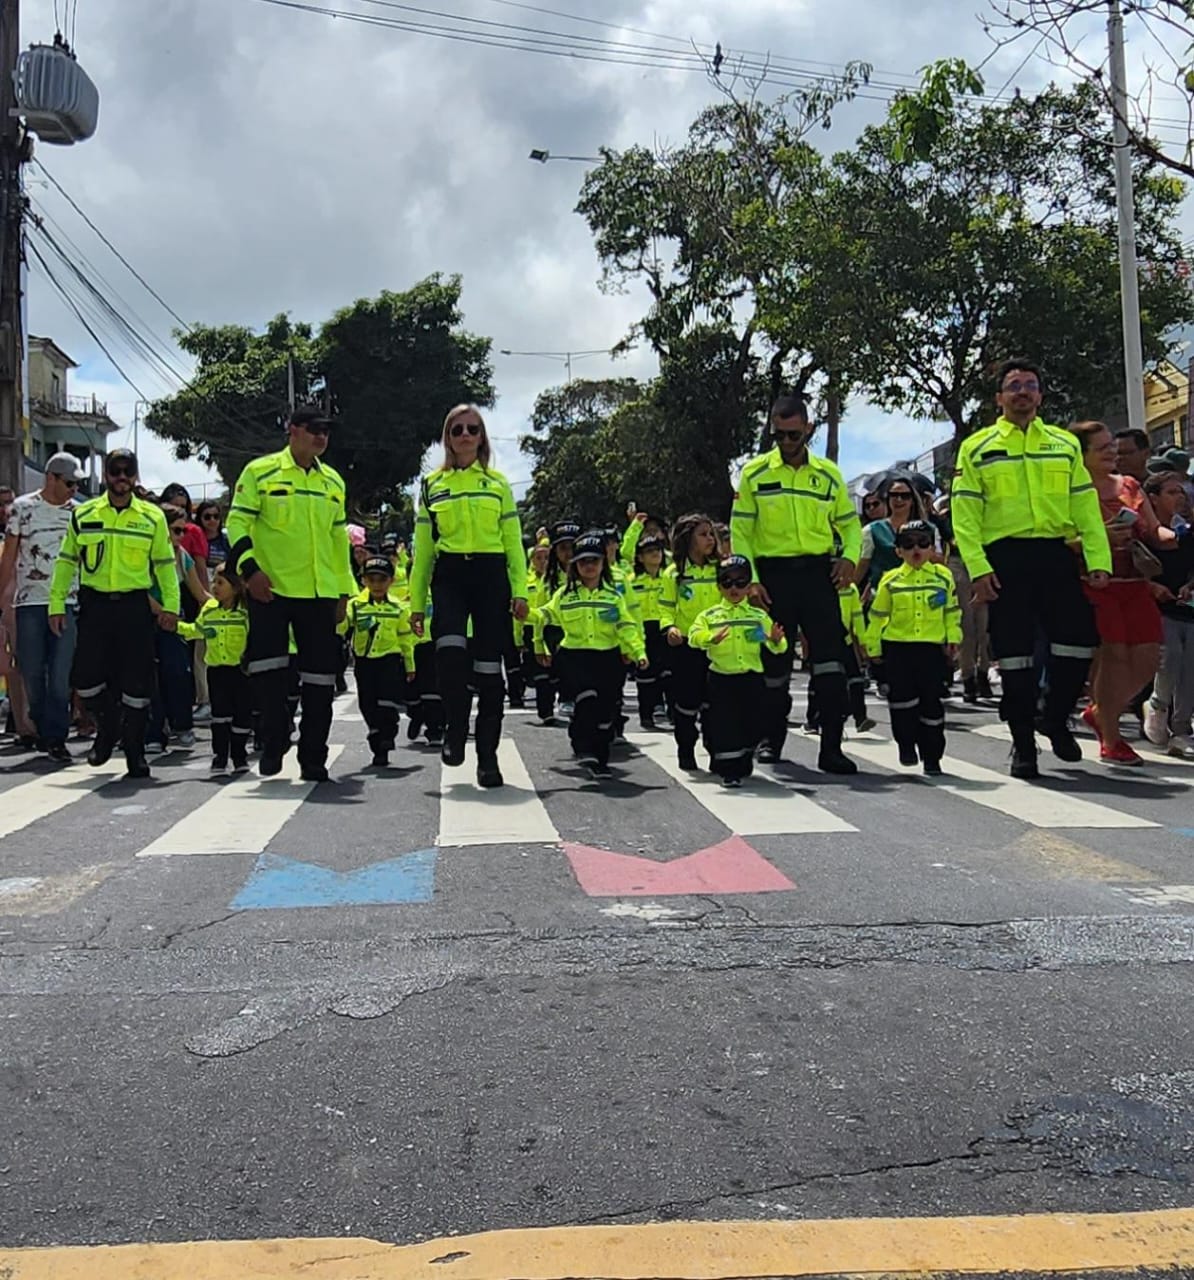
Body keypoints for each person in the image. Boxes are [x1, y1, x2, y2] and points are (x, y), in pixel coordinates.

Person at [951, 360, 1111, 779]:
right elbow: (965, 516)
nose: (1022, 392)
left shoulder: (1063, 444)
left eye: (1030, 386)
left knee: (1079, 642)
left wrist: (1099, 560)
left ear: (1040, 396)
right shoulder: (977, 447)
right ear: (999, 398)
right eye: (1014, 386)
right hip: (1004, 560)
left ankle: (1055, 716)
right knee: (1016, 659)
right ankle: (1023, 746)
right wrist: (979, 569)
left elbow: (1085, 507)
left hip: (1055, 555)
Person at [731, 392, 861, 775]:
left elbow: (850, 525)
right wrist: (750, 581)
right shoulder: (754, 474)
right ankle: (770, 741)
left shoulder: (828, 475)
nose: (787, 443)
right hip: (773, 579)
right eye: (780, 435)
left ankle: (832, 748)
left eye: (794, 435)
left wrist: (850, 558)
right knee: (774, 669)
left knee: (831, 666)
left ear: (808, 429)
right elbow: (741, 531)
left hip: (818, 576)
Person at [227, 405, 356, 782]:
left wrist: (343, 592)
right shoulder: (260, 472)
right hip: (272, 590)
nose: (321, 436)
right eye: (313, 428)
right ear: (293, 430)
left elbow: (338, 541)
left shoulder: (333, 482)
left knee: (320, 680)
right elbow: (237, 522)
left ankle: (313, 756)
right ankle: (274, 738)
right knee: (268, 675)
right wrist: (249, 571)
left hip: (319, 593)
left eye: (326, 430)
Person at [409, 405, 528, 789]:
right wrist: (414, 605)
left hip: (490, 576)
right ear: (447, 437)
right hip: (450, 577)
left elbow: (513, 544)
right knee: (449, 655)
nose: (464, 435)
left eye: (472, 429)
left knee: (491, 675)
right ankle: (455, 727)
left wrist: (521, 592)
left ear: (481, 437)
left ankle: (488, 758)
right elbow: (423, 551)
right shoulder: (431, 485)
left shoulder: (497, 484)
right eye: (457, 429)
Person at [48, 449, 178, 779]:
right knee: (84, 679)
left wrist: (172, 609)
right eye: (115, 471)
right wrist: (56, 605)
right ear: (105, 475)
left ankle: (134, 751)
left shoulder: (152, 517)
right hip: (95, 605)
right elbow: (66, 562)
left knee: (137, 684)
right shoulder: (84, 514)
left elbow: (165, 566)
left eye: (127, 471)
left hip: (135, 606)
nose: (121, 478)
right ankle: (108, 728)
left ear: (135, 477)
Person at [1068, 421, 1174, 767]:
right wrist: (1098, 539)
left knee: (1147, 657)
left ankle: (1102, 712)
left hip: (1134, 583)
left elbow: (1152, 528)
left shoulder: (1129, 485)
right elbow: (1061, 541)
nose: (1111, 452)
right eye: (1102, 448)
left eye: (1111, 445)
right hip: (1096, 583)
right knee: (1113, 655)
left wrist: (1169, 534)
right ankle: (1111, 738)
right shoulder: (1069, 491)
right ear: (1081, 455)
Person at [532, 531, 646, 779]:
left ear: (603, 563)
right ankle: (583, 748)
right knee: (586, 700)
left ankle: (600, 756)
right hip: (575, 658)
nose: (589, 566)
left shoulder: (613, 597)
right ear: (575, 566)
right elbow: (545, 615)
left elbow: (627, 626)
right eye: (583, 561)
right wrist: (526, 617)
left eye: (594, 560)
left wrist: (637, 651)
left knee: (606, 712)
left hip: (608, 659)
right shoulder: (565, 595)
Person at [0, 453, 83, 760]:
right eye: (69, 482)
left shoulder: (80, 513)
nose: (74, 489)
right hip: (29, 602)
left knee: (60, 674)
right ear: (51, 478)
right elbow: (9, 557)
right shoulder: (22, 509)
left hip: (67, 602)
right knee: (32, 670)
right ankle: (41, 721)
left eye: (77, 484)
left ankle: (56, 736)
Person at [865, 520, 962, 775]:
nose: (915, 549)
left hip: (931, 650)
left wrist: (953, 639)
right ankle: (906, 745)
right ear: (898, 551)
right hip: (898, 650)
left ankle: (932, 757)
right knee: (902, 704)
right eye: (908, 544)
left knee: (932, 705)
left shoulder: (943, 577)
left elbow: (951, 612)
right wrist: (873, 649)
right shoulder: (890, 580)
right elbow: (877, 617)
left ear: (932, 548)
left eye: (923, 543)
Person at [688, 554, 788, 787]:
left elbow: (778, 647)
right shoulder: (710, 616)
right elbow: (693, 636)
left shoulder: (757, 616)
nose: (734, 588)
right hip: (721, 678)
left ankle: (742, 757)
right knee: (725, 724)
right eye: (727, 582)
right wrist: (709, 637)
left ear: (749, 584)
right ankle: (728, 771)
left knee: (754, 724)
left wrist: (775, 639)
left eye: (741, 582)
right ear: (719, 586)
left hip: (751, 678)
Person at [660, 512, 722, 770]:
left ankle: (716, 749)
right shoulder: (674, 573)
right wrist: (670, 628)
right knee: (687, 703)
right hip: (686, 646)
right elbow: (665, 608)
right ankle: (686, 748)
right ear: (688, 539)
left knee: (716, 701)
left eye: (711, 534)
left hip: (718, 644)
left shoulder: (720, 569)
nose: (710, 539)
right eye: (703, 534)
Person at [177, 562, 251, 772]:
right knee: (219, 715)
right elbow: (197, 630)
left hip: (241, 671)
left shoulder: (245, 613)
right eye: (213, 582)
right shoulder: (209, 610)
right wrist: (177, 626)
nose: (214, 587)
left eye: (221, 582)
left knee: (242, 715)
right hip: (217, 671)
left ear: (236, 587)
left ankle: (239, 755)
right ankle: (220, 755)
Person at [1141, 470, 1194, 758]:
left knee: (1190, 668)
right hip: (1155, 609)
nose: (1179, 498)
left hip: (1186, 607)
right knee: (1170, 655)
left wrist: (1189, 585)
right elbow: (1131, 568)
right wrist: (1152, 587)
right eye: (1172, 492)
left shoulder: (1188, 532)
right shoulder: (1144, 532)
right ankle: (1158, 705)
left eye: (1181, 492)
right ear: (1154, 498)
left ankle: (1182, 729)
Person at [345, 555, 416, 769]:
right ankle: (376, 736)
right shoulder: (355, 605)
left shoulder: (398, 608)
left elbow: (405, 638)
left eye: (382, 580)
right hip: (365, 661)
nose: (376, 584)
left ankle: (386, 738)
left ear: (391, 581)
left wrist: (410, 665)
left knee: (387, 702)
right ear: (364, 581)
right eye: (371, 579)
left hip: (390, 659)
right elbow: (342, 626)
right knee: (367, 702)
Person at [854, 476, 937, 594]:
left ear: (912, 500)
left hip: (922, 593)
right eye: (894, 495)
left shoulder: (930, 529)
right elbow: (862, 566)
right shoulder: (871, 531)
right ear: (888, 499)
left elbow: (939, 562)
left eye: (905, 496)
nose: (899, 499)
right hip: (884, 595)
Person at [629, 532, 671, 729]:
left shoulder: (669, 577)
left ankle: (671, 712)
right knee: (645, 675)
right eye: (649, 551)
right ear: (640, 557)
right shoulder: (631, 581)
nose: (655, 554)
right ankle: (646, 714)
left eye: (658, 550)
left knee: (668, 673)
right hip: (642, 630)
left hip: (665, 628)